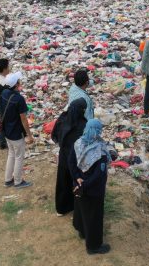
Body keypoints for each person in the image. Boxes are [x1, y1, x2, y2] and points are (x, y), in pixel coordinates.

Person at [68, 119, 111, 255]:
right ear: (98, 131)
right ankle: (93, 246)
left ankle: (82, 231)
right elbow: (99, 175)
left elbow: (71, 162)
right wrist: (85, 184)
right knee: (94, 216)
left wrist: (76, 179)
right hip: (93, 190)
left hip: (79, 186)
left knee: (82, 209)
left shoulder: (78, 143)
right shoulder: (100, 151)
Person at [52, 98, 88, 216]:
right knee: (76, 181)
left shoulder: (63, 118)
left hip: (64, 156)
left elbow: (55, 135)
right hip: (77, 159)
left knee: (63, 181)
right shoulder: (83, 124)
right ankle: (77, 207)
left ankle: (61, 208)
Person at [1, 72, 34, 189]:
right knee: (19, 156)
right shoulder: (19, 99)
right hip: (16, 133)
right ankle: (18, 182)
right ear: (16, 84)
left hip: (6, 131)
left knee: (11, 155)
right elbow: (24, 119)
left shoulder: (4, 93)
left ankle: (8, 180)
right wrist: (29, 135)